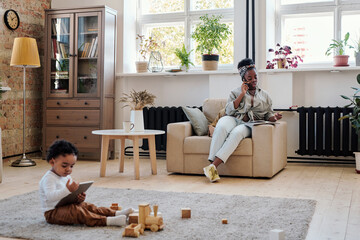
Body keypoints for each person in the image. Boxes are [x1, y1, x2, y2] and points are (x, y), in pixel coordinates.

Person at [203, 58, 282, 182]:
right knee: (221, 127)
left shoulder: (265, 95)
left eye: (255, 77)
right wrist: (242, 94)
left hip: (248, 124)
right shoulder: (235, 92)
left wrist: (274, 117)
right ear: (243, 79)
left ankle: (213, 166)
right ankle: (211, 167)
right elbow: (229, 111)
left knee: (236, 133)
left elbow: (268, 115)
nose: (254, 80)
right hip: (233, 118)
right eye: (250, 78)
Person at [39, 139, 134, 227]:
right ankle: (106, 221)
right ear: (52, 162)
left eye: (72, 166)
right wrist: (67, 190)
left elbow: (67, 197)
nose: (68, 169)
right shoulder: (49, 179)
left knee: (87, 206)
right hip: (53, 213)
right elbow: (50, 197)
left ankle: (114, 213)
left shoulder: (66, 176)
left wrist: (78, 198)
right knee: (77, 212)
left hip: (66, 206)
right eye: (64, 165)